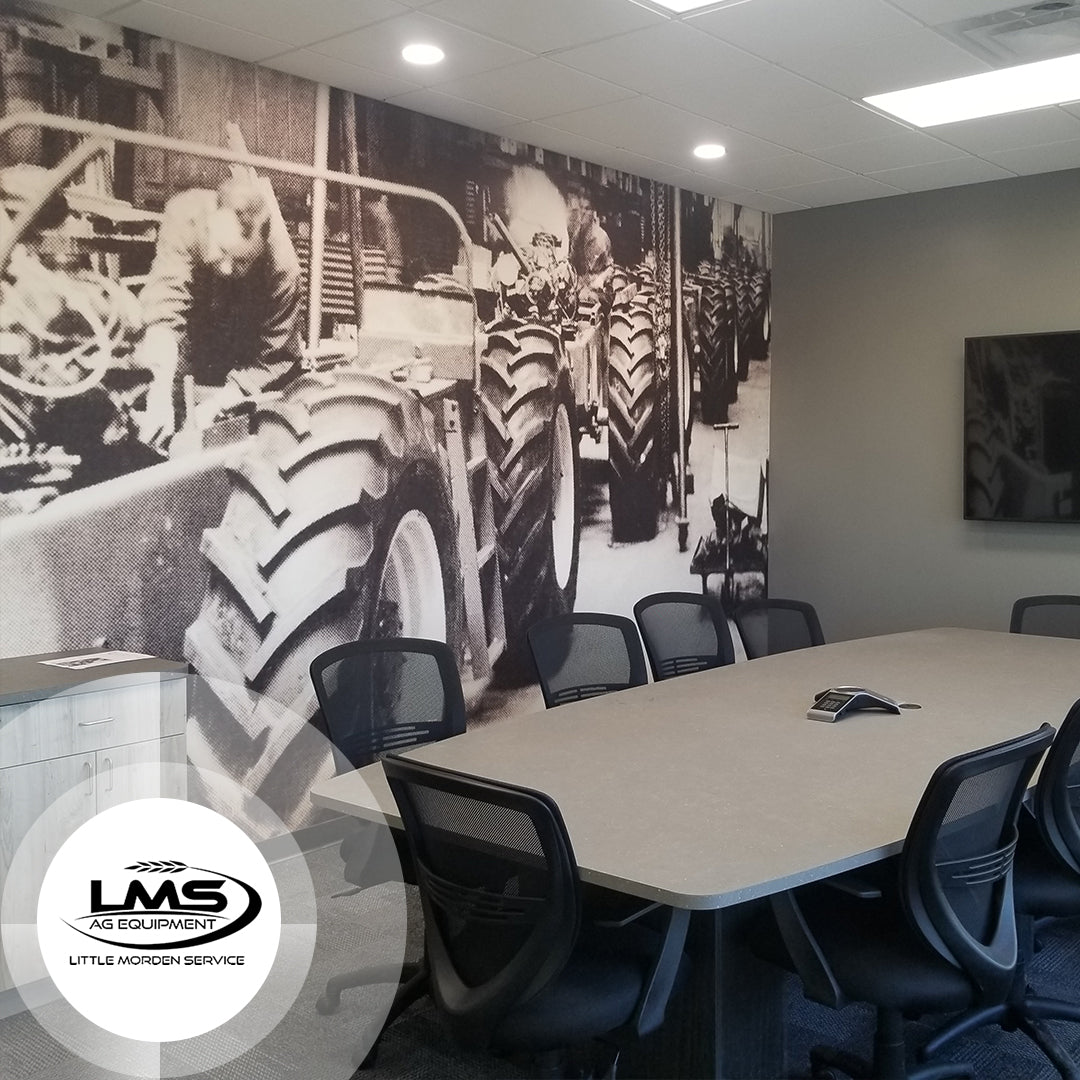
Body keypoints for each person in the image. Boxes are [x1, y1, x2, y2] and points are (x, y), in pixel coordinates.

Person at [135, 175, 303, 448]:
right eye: (221, 250)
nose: (226, 268)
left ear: (261, 248)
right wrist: (159, 390)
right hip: (194, 335)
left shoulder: (282, 271)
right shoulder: (185, 216)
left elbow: (276, 357)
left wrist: (223, 401)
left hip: (244, 350)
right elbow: (165, 307)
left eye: (242, 261)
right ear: (211, 222)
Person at [566, 190, 613, 306]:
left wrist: (601, 279)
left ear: (593, 213)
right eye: (581, 208)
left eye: (587, 209)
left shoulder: (601, 237)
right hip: (580, 287)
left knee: (589, 300)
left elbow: (610, 268)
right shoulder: (576, 236)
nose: (583, 212)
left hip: (598, 290)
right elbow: (572, 264)